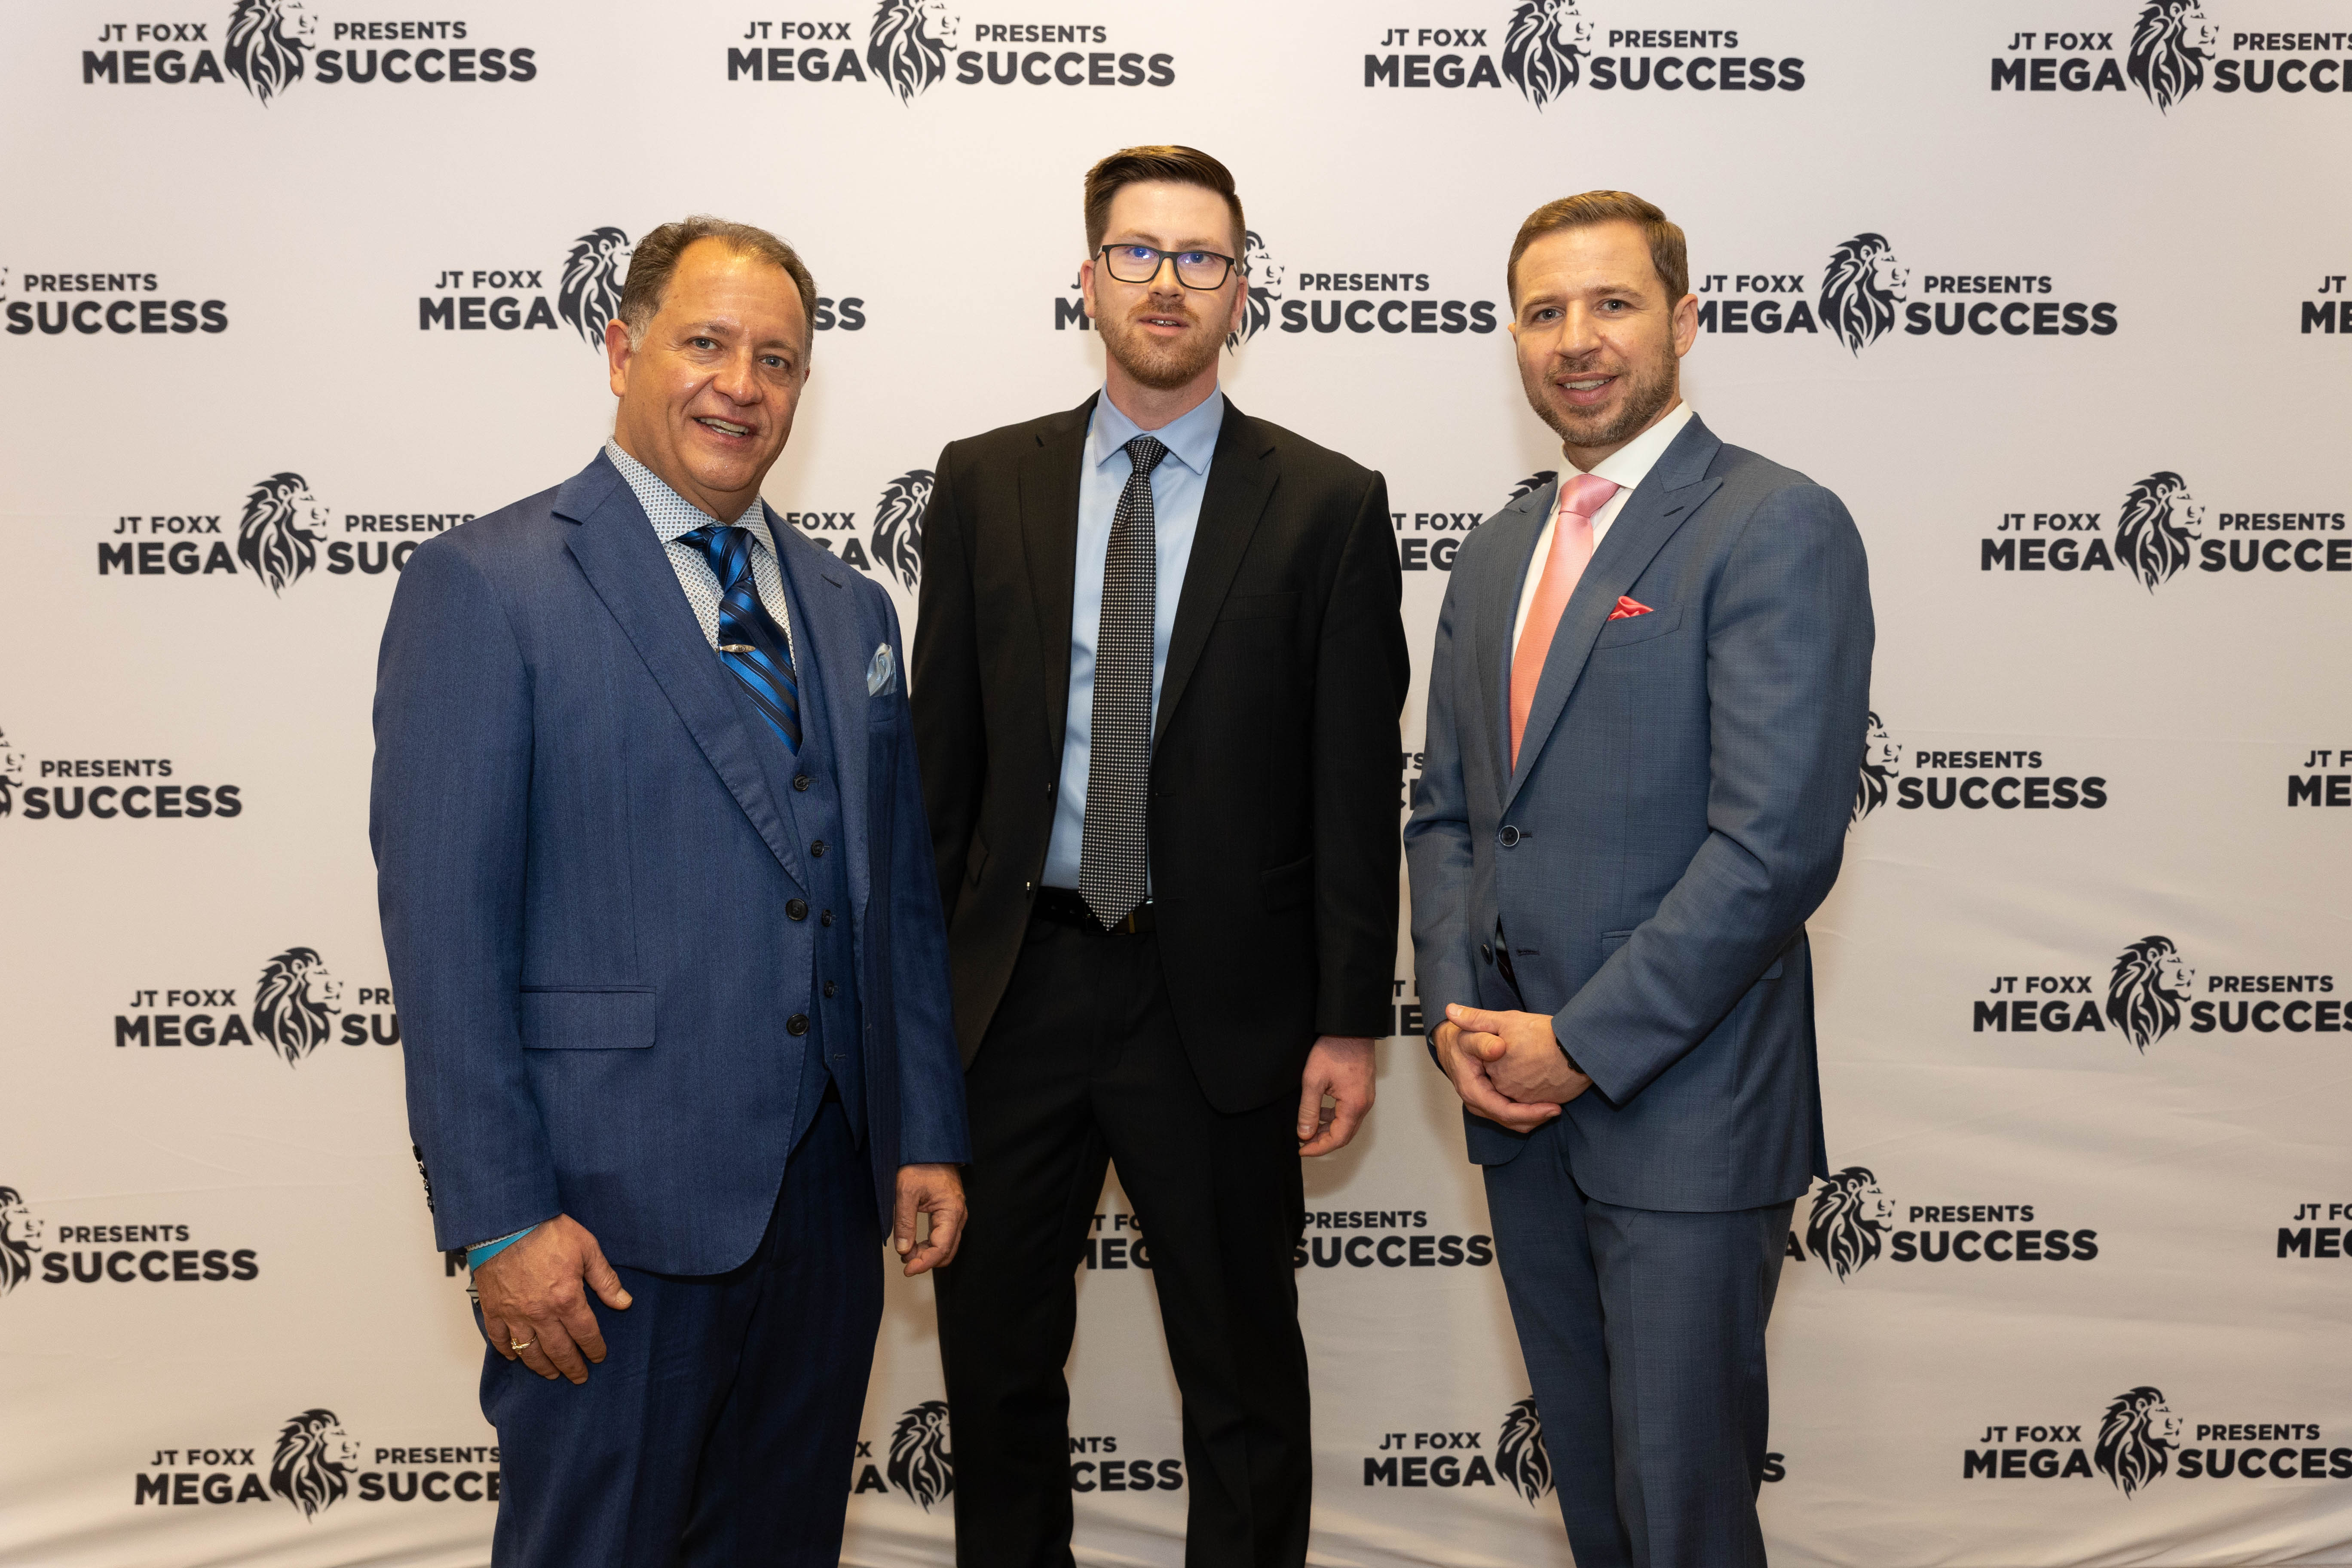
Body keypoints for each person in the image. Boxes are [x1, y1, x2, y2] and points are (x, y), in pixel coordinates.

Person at [371, 215, 969, 1568]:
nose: (740, 385)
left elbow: (896, 907)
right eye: (706, 343)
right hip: (606, 1224)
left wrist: (924, 1129)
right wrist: (501, 1219)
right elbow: (445, 939)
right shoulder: (487, 586)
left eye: (778, 359)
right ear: (621, 350)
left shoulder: (851, 608)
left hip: (825, 1216)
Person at [910, 145, 1409, 1568]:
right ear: (1089, 279)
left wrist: (1348, 1019)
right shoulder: (984, 481)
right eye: (1138, 254)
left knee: (1241, 1377)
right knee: (997, 1371)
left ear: (1242, 289)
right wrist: (918, 1023)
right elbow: (938, 776)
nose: (1168, 284)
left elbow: (1352, 787)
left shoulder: (1326, 503)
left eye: (1203, 258)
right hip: (1014, 994)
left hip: (1224, 1005)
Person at [1404, 191, 1873, 1567]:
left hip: (1685, 1118)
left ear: (1684, 319)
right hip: (1516, 1110)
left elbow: (1774, 848)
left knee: (1683, 1518)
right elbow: (1448, 816)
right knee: (1603, 1514)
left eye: (1612, 304)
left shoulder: (1775, 523)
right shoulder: (1499, 550)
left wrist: (1584, 1043)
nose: (1577, 340)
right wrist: (1459, 1018)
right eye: (1544, 312)